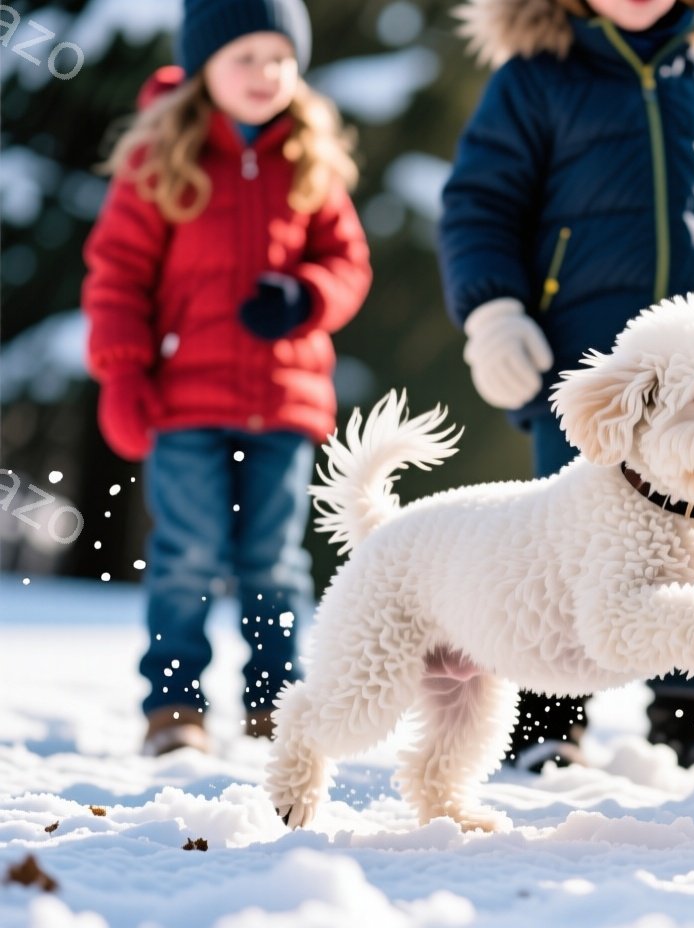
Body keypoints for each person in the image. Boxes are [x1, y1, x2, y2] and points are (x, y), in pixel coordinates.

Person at [438, 0, 694, 771]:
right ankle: (549, 716)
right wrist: (494, 311)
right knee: (570, 536)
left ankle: (690, 711)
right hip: (584, 357)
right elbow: (481, 204)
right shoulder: (534, 78)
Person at [82, 0, 370, 756]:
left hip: (285, 401)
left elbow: (348, 264)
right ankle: (173, 708)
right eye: (245, 57)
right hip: (186, 403)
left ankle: (277, 704)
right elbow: (117, 277)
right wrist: (122, 374)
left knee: (273, 562)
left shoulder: (310, 157)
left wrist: (306, 294)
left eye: (280, 57)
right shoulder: (162, 159)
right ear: (205, 65)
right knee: (189, 555)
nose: (264, 74)